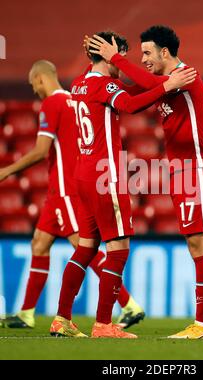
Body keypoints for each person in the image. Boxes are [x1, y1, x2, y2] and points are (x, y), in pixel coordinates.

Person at [87, 25, 203, 340]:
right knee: (202, 247)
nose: (142, 59)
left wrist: (115, 56)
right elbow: (137, 91)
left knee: (200, 246)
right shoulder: (168, 82)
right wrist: (98, 68)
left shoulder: (186, 77)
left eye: (146, 53)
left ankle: (202, 326)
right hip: (182, 172)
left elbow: (146, 83)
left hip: (196, 169)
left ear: (164, 52)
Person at [50, 31, 196, 339]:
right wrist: (168, 85)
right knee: (117, 250)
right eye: (120, 56)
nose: (125, 63)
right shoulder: (105, 85)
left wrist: (101, 55)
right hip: (106, 176)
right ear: (105, 55)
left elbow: (132, 87)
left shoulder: (80, 82)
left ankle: (62, 318)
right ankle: (104, 324)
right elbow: (130, 104)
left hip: (83, 173)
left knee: (87, 248)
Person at [0, 60, 144, 331]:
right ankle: (27, 313)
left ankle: (128, 304)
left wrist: (7, 170)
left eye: (34, 85)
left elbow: (42, 151)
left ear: (41, 78)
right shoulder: (76, 97)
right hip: (66, 187)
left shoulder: (52, 104)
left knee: (85, 248)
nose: (34, 91)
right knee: (40, 244)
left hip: (66, 190)